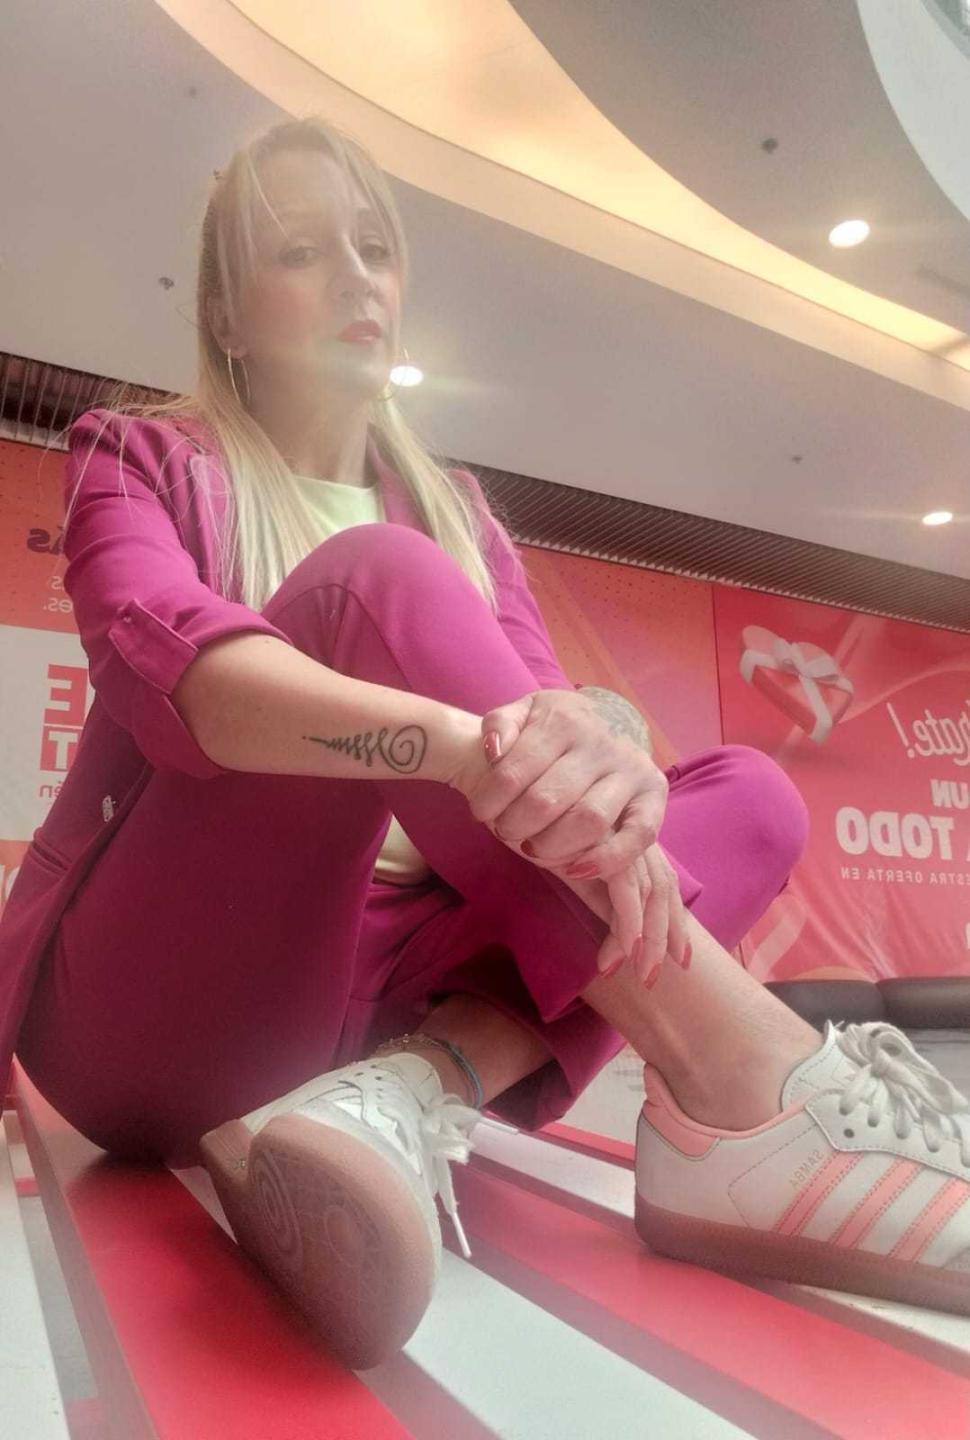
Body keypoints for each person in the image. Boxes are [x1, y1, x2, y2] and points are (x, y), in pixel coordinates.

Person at [3, 116, 966, 1373]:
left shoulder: (456, 510)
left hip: (382, 995)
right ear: (228, 315)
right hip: (153, 1014)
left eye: (375, 249)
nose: (357, 279)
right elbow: (184, 684)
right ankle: (765, 1101)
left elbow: (548, 714)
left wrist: (602, 741)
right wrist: (461, 748)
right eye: (303, 252)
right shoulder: (136, 455)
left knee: (754, 796)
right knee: (374, 584)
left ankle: (409, 1090)